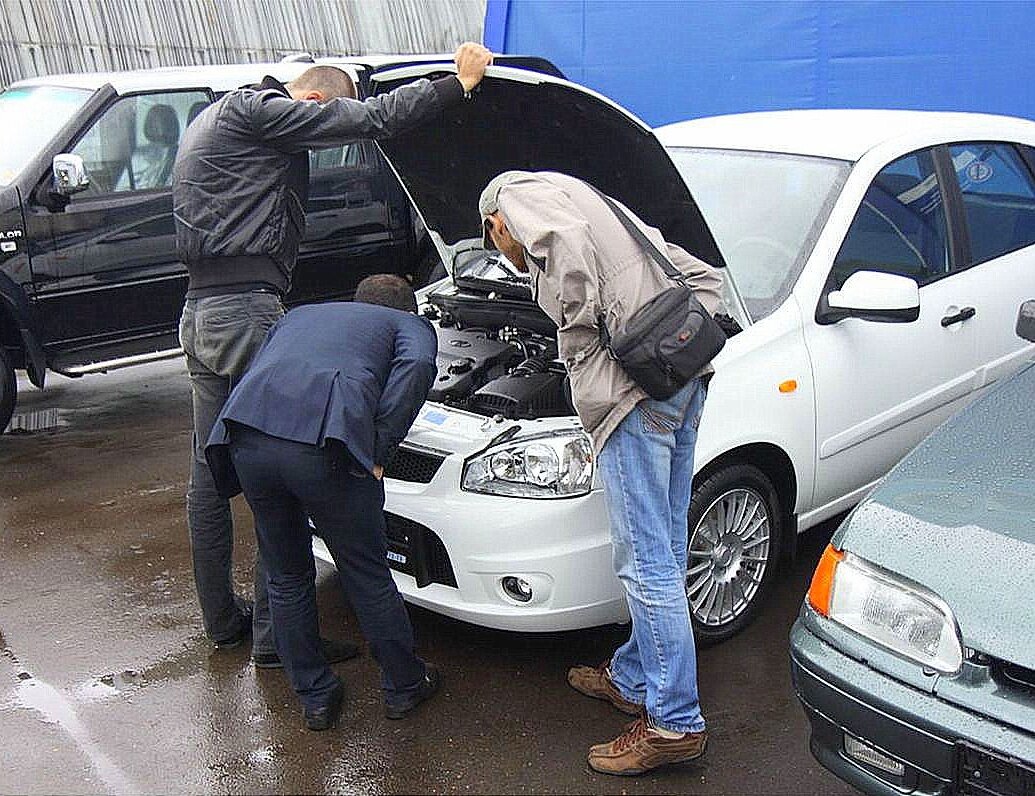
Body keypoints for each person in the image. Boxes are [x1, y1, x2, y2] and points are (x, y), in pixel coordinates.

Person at [173, 43, 493, 663]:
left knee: (210, 475)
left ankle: (224, 620)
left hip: (200, 311)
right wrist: (459, 85)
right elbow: (370, 119)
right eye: (323, 123)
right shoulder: (259, 112)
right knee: (282, 468)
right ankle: (277, 641)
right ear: (314, 102)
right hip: (244, 312)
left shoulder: (211, 121)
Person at [478, 171, 724, 776]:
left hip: (632, 397)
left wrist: (585, 341)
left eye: (500, 248)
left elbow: (564, 255)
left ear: (495, 224)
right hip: (682, 380)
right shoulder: (606, 205)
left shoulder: (515, 196)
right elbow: (701, 277)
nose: (509, 259)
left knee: (644, 563)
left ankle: (674, 723)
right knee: (663, 547)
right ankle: (637, 676)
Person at [204, 274, 440, 730]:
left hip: (247, 437)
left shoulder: (303, 314)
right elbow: (414, 370)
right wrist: (378, 448)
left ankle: (315, 694)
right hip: (323, 448)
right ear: (407, 309)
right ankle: (404, 686)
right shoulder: (408, 325)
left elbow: (267, 367)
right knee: (366, 572)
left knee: (287, 574)